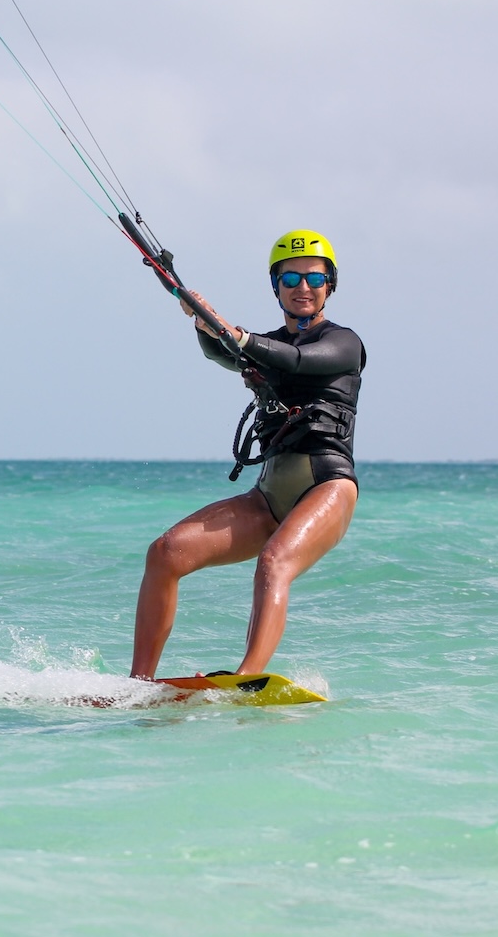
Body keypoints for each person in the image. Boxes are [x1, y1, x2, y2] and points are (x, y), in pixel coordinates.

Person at [129, 229, 365, 679]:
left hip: (327, 486)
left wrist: (234, 333)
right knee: (165, 552)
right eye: (290, 277)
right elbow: (225, 353)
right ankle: (139, 684)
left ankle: (247, 678)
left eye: (314, 279)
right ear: (275, 285)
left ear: (330, 285)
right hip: (269, 495)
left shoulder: (344, 342)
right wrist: (204, 323)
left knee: (274, 560)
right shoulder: (265, 344)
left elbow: (295, 360)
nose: (302, 287)